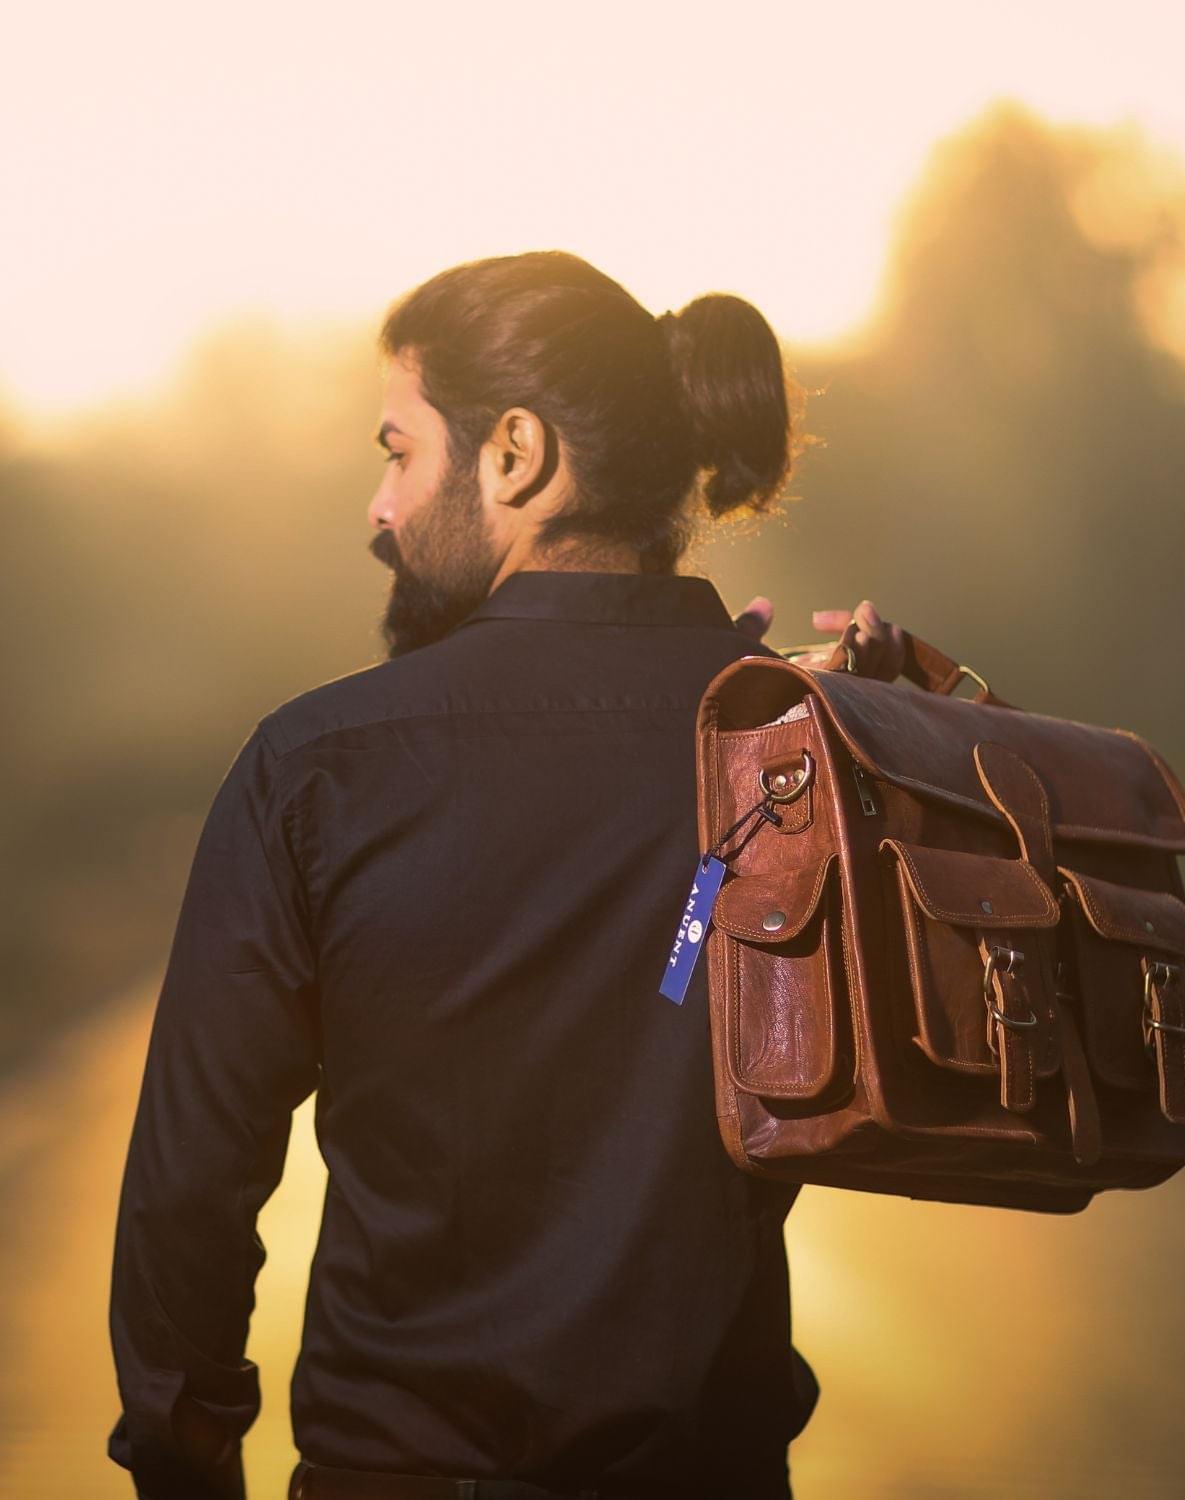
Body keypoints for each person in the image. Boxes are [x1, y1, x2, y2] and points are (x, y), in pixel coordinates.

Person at [106, 250, 905, 1500]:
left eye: (398, 449)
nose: (378, 507)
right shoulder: (799, 751)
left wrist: (185, 1456)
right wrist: (875, 745)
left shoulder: (319, 767)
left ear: (515, 454)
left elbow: (191, 1191)